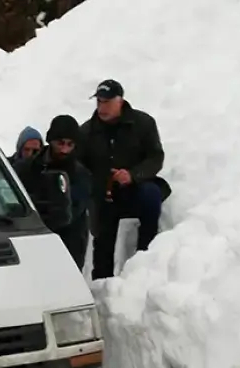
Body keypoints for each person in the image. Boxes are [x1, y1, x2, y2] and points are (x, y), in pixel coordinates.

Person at [76, 79, 171, 279]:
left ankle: (145, 260)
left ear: (120, 102)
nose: (102, 107)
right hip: (103, 195)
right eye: (99, 102)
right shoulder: (86, 132)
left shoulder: (143, 124)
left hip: (135, 189)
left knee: (151, 195)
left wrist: (133, 175)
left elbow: (155, 157)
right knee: (102, 236)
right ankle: (102, 283)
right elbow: (79, 167)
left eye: (107, 102)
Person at [14, 115, 91, 269]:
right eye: (60, 143)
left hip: (68, 241)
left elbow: (71, 211)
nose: (64, 149)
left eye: (70, 144)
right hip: (29, 237)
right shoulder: (27, 167)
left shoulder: (81, 175)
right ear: (51, 141)